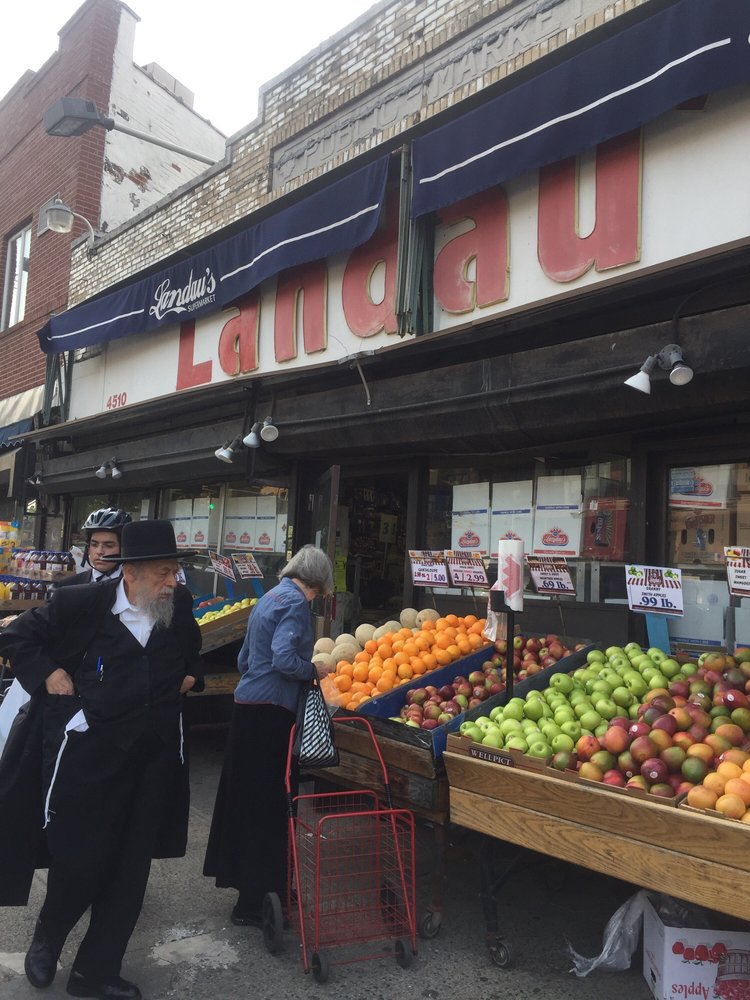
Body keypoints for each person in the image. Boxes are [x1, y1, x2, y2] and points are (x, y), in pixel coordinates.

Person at [0, 520, 202, 1000]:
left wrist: (191, 676)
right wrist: (47, 674)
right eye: (162, 572)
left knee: (131, 870)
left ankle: (97, 971)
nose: (172, 581)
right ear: (130, 573)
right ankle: (48, 937)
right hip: (90, 757)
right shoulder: (81, 603)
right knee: (80, 860)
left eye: (174, 571)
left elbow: (192, 651)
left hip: (152, 758)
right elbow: (18, 639)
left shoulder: (179, 605)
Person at [203, 544, 334, 927]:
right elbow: (283, 659)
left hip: (246, 707)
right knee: (268, 804)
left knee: (243, 801)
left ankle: (247, 890)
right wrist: (313, 670)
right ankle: (259, 897)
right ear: (318, 581)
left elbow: (245, 659)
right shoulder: (295, 604)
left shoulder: (270, 597)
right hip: (270, 714)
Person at [55, 507, 133, 588]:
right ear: (88, 547)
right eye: (94, 544)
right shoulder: (68, 586)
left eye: (109, 545)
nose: (99, 551)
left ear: (123, 549)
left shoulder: (136, 587)